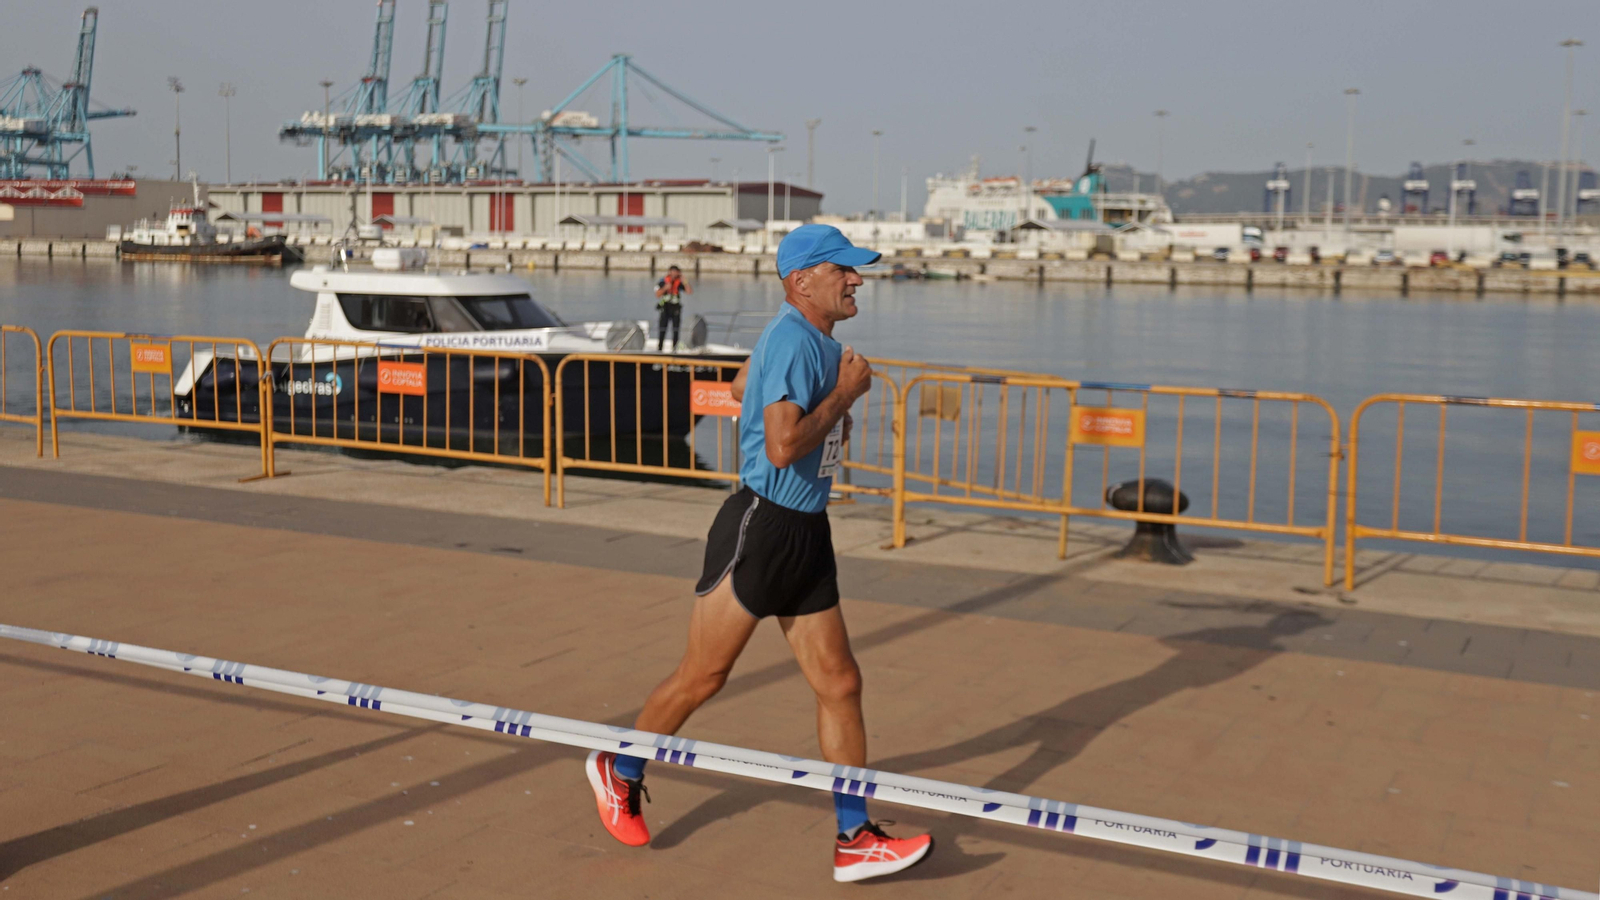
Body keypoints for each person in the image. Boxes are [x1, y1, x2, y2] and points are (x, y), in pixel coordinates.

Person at [586, 225, 933, 882]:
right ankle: (619, 768)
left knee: (840, 683)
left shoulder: (802, 338)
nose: (857, 280)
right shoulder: (796, 340)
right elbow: (780, 447)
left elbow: (744, 386)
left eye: (856, 270)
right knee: (702, 676)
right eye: (843, 270)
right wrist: (843, 397)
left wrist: (821, 407)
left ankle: (854, 837)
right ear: (802, 281)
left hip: (806, 532)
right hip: (762, 527)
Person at [654, 265, 692, 350]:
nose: (674, 274)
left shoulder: (679, 282)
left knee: (676, 330)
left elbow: (689, 292)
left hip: (675, 309)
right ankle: (660, 348)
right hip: (665, 308)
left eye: (676, 272)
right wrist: (665, 288)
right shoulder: (663, 281)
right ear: (669, 272)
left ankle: (675, 348)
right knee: (662, 329)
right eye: (673, 271)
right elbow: (657, 294)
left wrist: (685, 282)